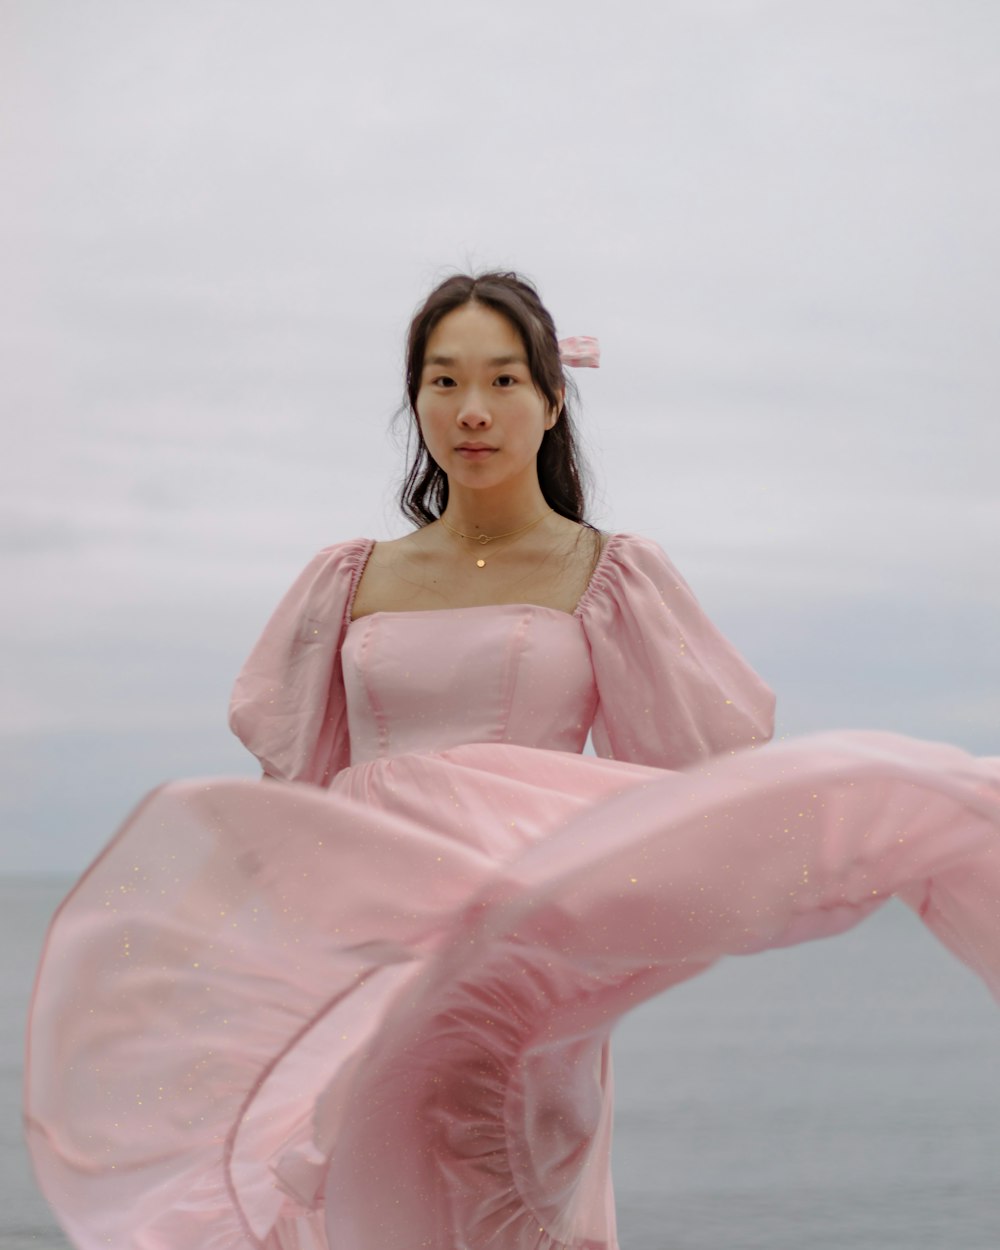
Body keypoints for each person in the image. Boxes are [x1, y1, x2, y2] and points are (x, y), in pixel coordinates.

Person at [24, 272, 1000, 1250]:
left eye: (500, 380)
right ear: (415, 398)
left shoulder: (609, 574)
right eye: (443, 382)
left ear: (552, 398)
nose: (472, 411)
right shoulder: (345, 578)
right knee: (344, 1196)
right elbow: (304, 790)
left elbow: (693, 783)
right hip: (361, 941)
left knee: (492, 1187)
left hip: (515, 949)